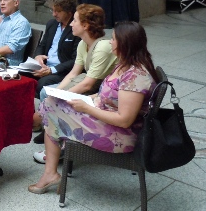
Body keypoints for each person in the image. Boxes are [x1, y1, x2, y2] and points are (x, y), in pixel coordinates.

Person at [28, 21, 158, 194]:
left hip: (120, 136)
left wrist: (87, 108)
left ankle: (50, 168)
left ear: (125, 44)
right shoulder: (123, 64)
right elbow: (106, 94)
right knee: (53, 104)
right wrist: (85, 99)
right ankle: (51, 165)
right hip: (106, 118)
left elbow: (125, 120)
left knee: (51, 111)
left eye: (113, 39)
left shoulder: (135, 76)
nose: (110, 42)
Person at [32, 4, 117, 150]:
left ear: (85, 25)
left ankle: (51, 128)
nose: (71, 23)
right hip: (93, 85)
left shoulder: (102, 47)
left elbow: (88, 84)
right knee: (47, 92)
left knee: (53, 97)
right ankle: (49, 125)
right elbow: (73, 73)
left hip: (104, 91)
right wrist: (57, 91)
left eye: (75, 21)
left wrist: (59, 95)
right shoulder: (83, 44)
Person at [31, 0, 81, 97]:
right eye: (52, 10)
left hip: (62, 71)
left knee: (42, 84)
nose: (54, 14)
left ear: (69, 12)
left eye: (58, 11)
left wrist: (51, 70)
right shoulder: (51, 24)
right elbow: (42, 45)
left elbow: (75, 60)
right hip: (44, 66)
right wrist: (38, 56)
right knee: (21, 76)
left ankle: (41, 111)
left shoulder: (77, 29)